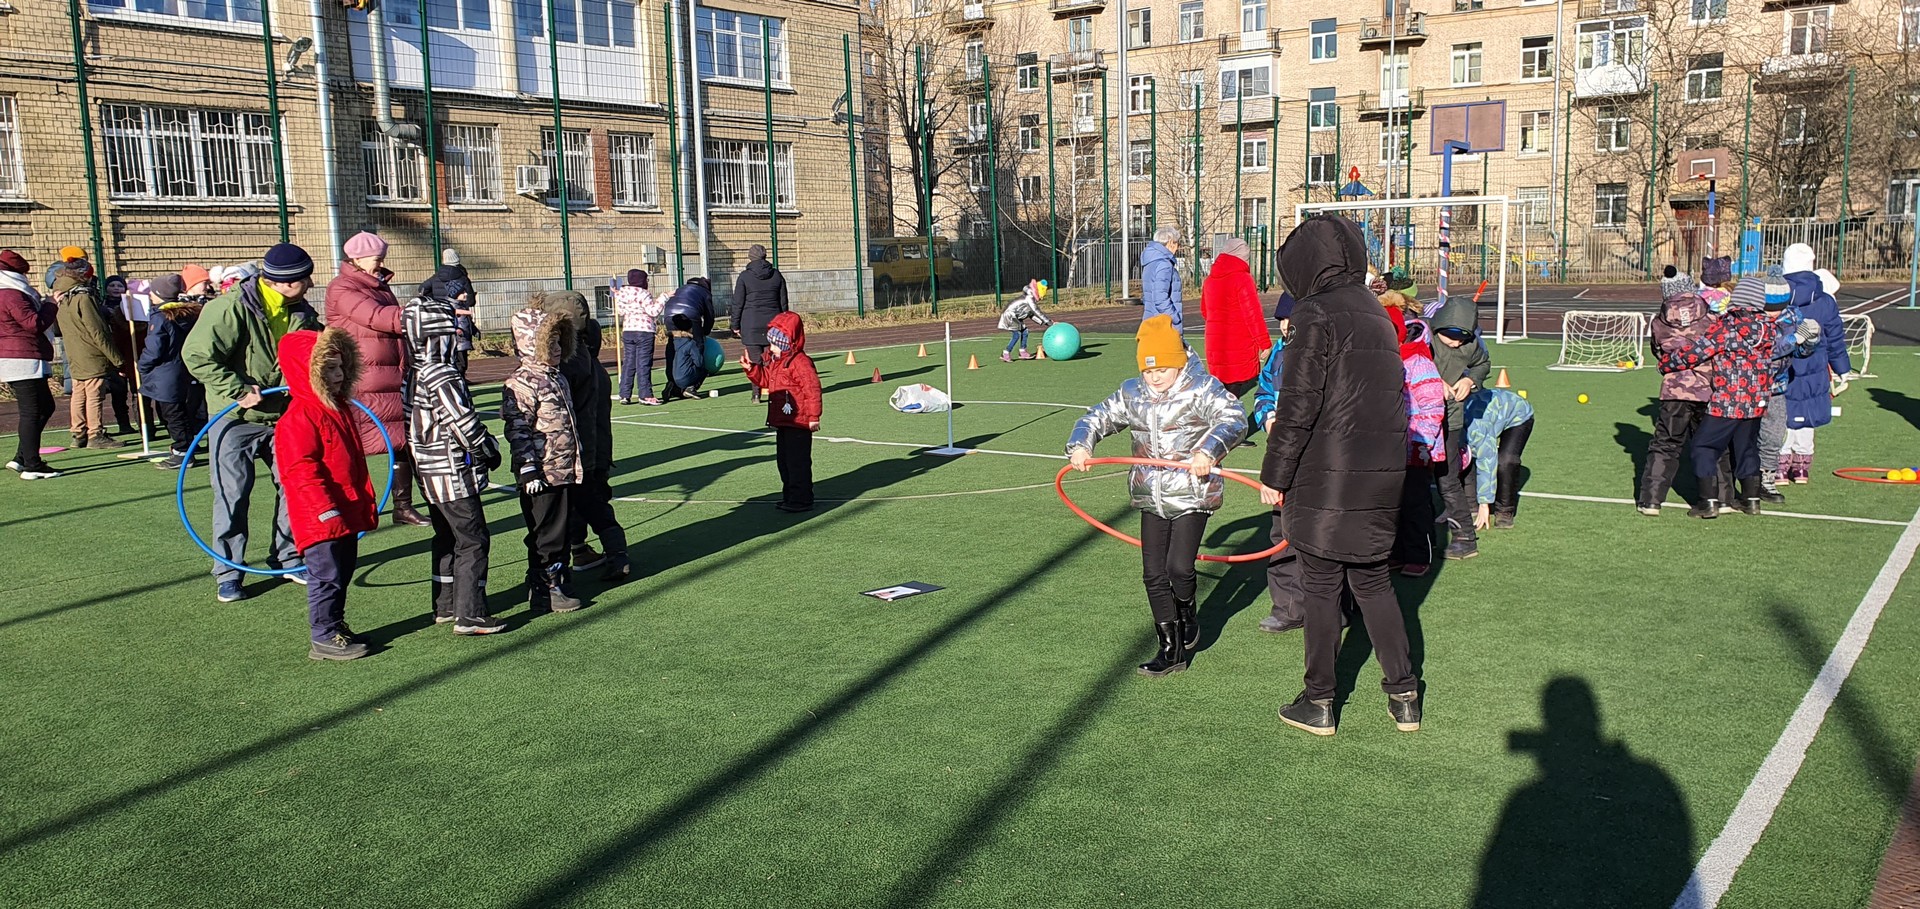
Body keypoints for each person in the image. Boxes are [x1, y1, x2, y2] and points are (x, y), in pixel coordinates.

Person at [1260, 215, 1419, 737]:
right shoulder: (1375, 311)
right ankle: (1404, 694)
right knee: (1373, 582)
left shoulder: (1315, 312)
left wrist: (1275, 474)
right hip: (1380, 471)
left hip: (1328, 474)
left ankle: (1319, 700)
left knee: (1321, 586)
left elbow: (1298, 404)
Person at [1067, 314, 1246, 677]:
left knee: (1178, 567)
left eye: (1162, 368)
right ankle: (1170, 649)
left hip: (1192, 492)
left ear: (1178, 362)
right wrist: (1081, 444)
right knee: (1153, 573)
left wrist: (1207, 451)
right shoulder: (1132, 392)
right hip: (1151, 494)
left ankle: (1187, 613)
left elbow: (1234, 418)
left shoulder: (1201, 388)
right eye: (1148, 370)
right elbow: (1097, 416)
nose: (1155, 376)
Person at [182, 242, 321, 603]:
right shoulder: (230, 308)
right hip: (235, 418)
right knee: (232, 495)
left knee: (294, 487)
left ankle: (288, 558)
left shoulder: (302, 312)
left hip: (284, 416)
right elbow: (196, 355)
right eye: (304, 279)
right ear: (284, 282)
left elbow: (311, 351)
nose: (309, 284)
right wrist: (237, 389)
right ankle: (228, 572)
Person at [404, 290, 507, 634]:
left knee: (446, 536)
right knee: (473, 539)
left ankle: (446, 605)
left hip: (427, 471)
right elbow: (463, 424)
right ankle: (470, 613)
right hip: (451, 472)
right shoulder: (442, 374)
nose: (458, 336)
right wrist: (488, 449)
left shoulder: (414, 373)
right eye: (452, 331)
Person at [274, 327, 379, 661]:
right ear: (310, 373)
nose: (339, 375)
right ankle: (322, 634)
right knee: (326, 573)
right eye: (330, 369)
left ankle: (334, 624)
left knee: (343, 568)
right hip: (319, 513)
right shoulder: (299, 416)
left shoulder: (338, 408)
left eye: (341, 367)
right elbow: (300, 471)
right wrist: (324, 509)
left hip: (343, 505)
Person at [326, 231, 426, 527]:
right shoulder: (342, 288)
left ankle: (403, 505)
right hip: (361, 378)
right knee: (353, 445)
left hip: (390, 374)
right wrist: (418, 314)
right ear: (357, 259)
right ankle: (352, 506)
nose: (381, 264)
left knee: (401, 441)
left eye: (382, 258)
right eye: (376, 258)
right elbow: (378, 317)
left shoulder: (379, 286)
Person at [1669, 274, 1780, 517]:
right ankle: (1751, 499)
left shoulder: (1727, 326)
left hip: (1729, 398)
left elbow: (1698, 351)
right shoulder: (1769, 327)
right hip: (1757, 399)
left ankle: (1708, 501)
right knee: (1747, 447)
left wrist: (1668, 363)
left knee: (1703, 446)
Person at [537, 290, 630, 580]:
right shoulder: (588, 357)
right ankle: (593, 552)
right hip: (590, 447)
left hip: (576, 450)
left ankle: (611, 554)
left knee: (585, 503)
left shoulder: (566, 364)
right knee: (590, 502)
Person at [503, 305, 585, 614]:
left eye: (559, 341)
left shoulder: (556, 377)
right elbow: (517, 428)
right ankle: (545, 586)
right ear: (531, 344)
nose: (557, 348)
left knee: (560, 529)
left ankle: (556, 579)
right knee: (546, 531)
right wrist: (528, 469)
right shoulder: (522, 382)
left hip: (563, 469)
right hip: (542, 473)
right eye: (549, 343)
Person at [1641, 269, 1717, 516]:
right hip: (1706, 389)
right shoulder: (1710, 316)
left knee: (1665, 444)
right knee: (1710, 445)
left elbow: (1658, 351)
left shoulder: (1659, 321)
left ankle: (1651, 500)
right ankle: (1715, 498)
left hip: (1674, 390)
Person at [1250, 294, 1303, 633]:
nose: (1284, 326)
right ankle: (1287, 607)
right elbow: (1263, 393)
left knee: (1324, 535)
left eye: (1290, 320)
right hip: (1282, 457)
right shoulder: (1277, 354)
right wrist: (1267, 417)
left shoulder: (1322, 354)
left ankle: (1338, 604)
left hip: (1318, 459)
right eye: (1281, 320)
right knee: (1281, 531)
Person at [1385, 293, 1447, 576]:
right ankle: (1398, 552)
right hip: (1393, 447)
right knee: (1394, 503)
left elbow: (1433, 406)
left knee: (1416, 503)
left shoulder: (1418, 361)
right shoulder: (1388, 361)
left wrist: (1422, 443)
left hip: (1417, 447)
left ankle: (1420, 553)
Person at [1779, 247, 1850, 484]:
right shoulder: (1825, 300)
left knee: (1782, 413)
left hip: (1783, 362)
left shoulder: (1776, 295)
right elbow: (1835, 337)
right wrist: (1842, 368)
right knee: (1807, 413)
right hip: (1815, 364)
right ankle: (1801, 467)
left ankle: (1779, 465)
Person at [1428, 295, 1491, 560]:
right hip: (1419, 417)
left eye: (1462, 337)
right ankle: (1417, 539)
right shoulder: (1424, 338)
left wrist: (1470, 381)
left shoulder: (1471, 345)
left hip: (1451, 418)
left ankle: (1465, 537)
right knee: (1412, 479)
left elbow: (1483, 364)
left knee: (1447, 478)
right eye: (1451, 335)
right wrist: (1433, 381)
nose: (1456, 342)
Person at [742, 311, 823, 513]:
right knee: (784, 462)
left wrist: (813, 416)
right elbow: (765, 381)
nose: (771, 348)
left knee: (798, 463)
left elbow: (812, 389)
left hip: (799, 422)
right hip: (783, 421)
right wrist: (752, 369)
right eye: (771, 344)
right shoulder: (775, 362)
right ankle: (790, 496)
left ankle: (802, 499)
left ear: (787, 343)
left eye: (775, 344)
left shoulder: (800, 362)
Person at [1758, 277, 1822, 502]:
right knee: (1740, 437)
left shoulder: (1792, 316)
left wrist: (1811, 339)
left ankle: (1766, 479)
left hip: (1776, 387)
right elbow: (1764, 350)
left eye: (1778, 308)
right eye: (1768, 308)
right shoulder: (1751, 318)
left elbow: (1800, 353)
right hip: (1746, 388)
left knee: (1774, 436)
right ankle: (1735, 481)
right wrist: (1795, 338)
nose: (1773, 313)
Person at [0, 249, 61, 479]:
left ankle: (22, 458)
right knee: (31, 412)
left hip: (20, 355)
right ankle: (32, 466)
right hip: (21, 357)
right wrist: (51, 304)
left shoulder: (8, 292)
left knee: (45, 407)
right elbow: (33, 323)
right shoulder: (11, 294)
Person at [138, 275, 209, 470]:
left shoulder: (161, 317)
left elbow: (155, 348)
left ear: (159, 294)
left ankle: (182, 451)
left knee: (172, 413)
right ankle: (186, 446)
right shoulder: (187, 314)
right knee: (181, 411)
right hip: (182, 370)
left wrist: (143, 365)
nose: (150, 295)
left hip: (166, 373)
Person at [52, 262, 125, 449]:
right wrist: (117, 360)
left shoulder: (63, 297)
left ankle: (78, 432)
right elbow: (97, 331)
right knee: (94, 394)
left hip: (74, 353)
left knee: (79, 392)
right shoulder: (84, 298)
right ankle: (95, 434)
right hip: (90, 354)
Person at [1199, 237, 1272, 397]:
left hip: (1215, 341)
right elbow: (1253, 314)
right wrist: (1264, 342)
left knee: (1220, 389)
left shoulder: (1210, 280)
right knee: (1233, 391)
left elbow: (1205, 311)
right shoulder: (1243, 279)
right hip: (1238, 342)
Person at [1464, 387, 1535, 531]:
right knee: (1467, 456)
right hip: (1491, 416)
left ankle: (1504, 510)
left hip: (1518, 416)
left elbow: (1487, 460)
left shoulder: (1478, 426)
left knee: (1506, 460)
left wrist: (1484, 504)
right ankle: (1470, 504)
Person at [731, 244, 790, 403]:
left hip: (751, 324)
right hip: (773, 323)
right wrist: (784, 323)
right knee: (771, 360)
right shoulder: (776, 275)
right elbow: (783, 302)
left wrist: (735, 325)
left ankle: (756, 393)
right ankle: (773, 392)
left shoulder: (744, 277)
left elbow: (738, 303)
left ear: (750, 257)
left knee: (755, 361)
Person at [419, 249, 477, 375]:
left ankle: (448, 374)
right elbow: (471, 300)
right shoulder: (462, 277)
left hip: (441, 316)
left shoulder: (436, 277)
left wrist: (435, 301)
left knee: (445, 347)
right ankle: (460, 375)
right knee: (461, 348)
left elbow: (422, 289)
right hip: (459, 316)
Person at [614, 269, 663, 405]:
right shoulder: (643, 293)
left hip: (628, 330)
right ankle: (645, 395)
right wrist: (663, 298)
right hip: (644, 331)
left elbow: (621, 311)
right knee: (643, 363)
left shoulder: (621, 293)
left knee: (629, 363)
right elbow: (653, 311)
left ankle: (624, 394)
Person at [661, 277, 714, 400]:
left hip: (669, 315)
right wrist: (704, 333)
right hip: (690, 314)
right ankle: (691, 386)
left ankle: (672, 383)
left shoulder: (681, 289)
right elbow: (710, 316)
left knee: (673, 346)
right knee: (696, 346)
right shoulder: (705, 292)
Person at [1140, 226, 1184, 333]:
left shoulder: (1151, 262)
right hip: (1164, 324)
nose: (1177, 248)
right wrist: (1175, 318)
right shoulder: (1164, 265)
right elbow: (1160, 298)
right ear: (1170, 242)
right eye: (1177, 243)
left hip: (1151, 319)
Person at [997, 278, 1052, 362]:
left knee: (1025, 331)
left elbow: (1031, 315)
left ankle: (1022, 352)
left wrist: (1046, 323)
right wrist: (1048, 321)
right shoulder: (1029, 298)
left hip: (1015, 316)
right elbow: (1036, 311)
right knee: (1016, 335)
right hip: (1010, 315)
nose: (1042, 298)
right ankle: (1006, 353)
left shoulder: (1030, 298)